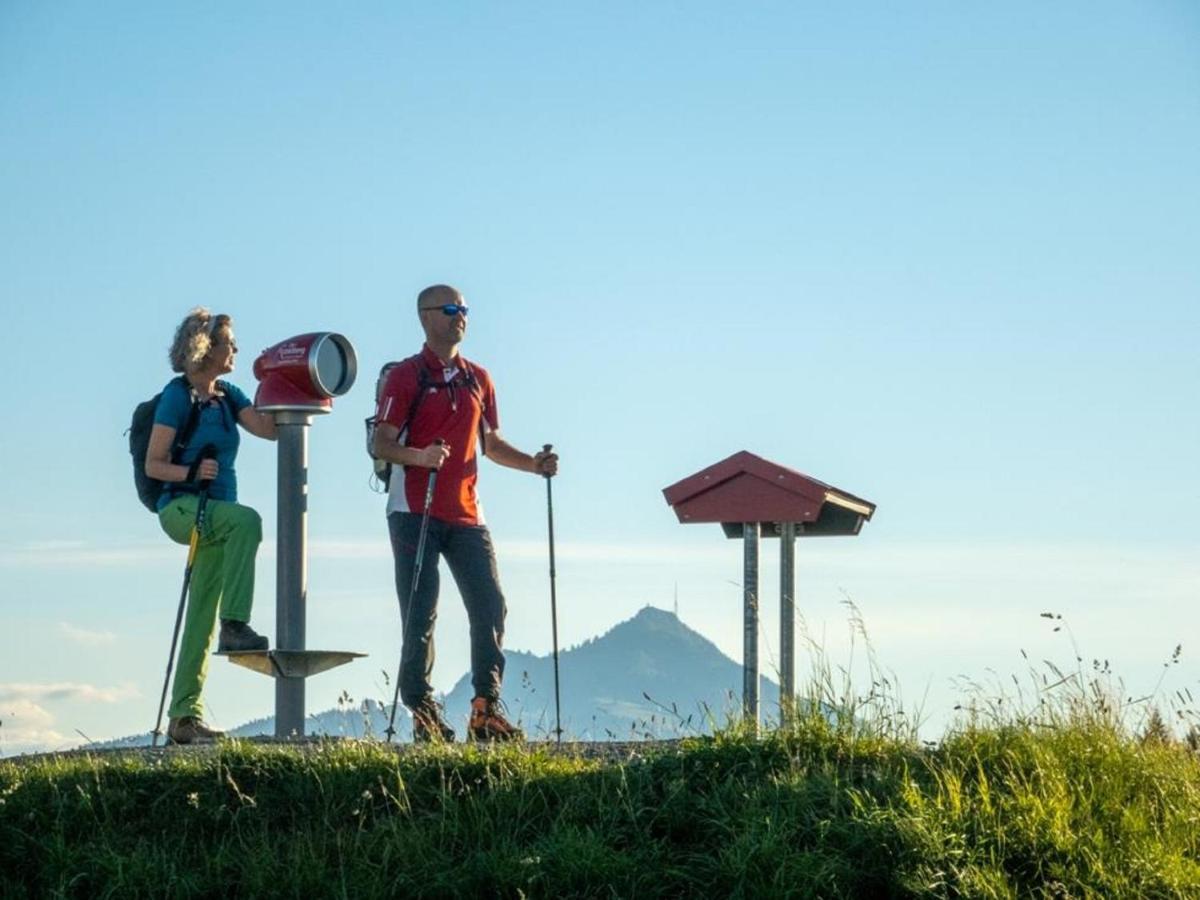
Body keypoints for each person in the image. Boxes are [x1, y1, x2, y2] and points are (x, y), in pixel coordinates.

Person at [372, 284, 558, 742]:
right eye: (451, 309)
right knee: (420, 613)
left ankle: (485, 707)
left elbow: (491, 445)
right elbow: (380, 443)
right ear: (426, 317)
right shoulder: (406, 376)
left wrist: (534, 465)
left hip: (467, 513)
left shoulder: (480, 378)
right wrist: (421, 457)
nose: (461, 317)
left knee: (490, 605)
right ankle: (421, 708)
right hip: (413, 509)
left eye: (465, 310)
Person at [145, 308, 277, 745]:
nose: (236, 349)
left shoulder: (229, 395)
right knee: (249, 522)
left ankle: (184, 718)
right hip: (181, 509)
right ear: (207, 347)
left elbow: (269, 429)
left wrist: (283, 385)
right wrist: (189, 475)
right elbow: (154, 464)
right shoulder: (176, 397)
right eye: (230, 342)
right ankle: (237, 624)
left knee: (200, 616)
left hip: (218, 521)